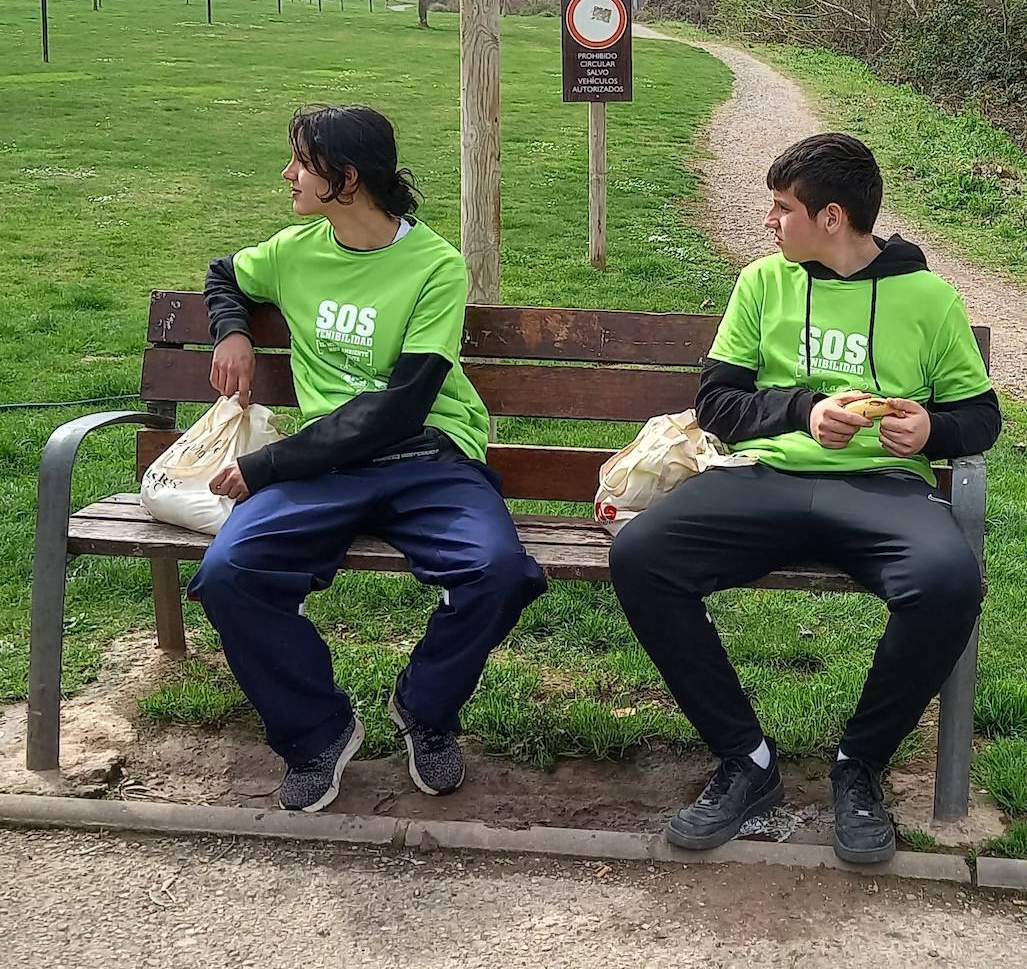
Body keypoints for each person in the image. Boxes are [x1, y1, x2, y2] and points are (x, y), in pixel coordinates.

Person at [610, 133, 1000, 864]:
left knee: (947, 580)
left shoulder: (927, 298)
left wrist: (930, 429)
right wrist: (801, 413)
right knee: (641, 554)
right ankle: (745, 761)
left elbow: (981, 418)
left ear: (829, 216)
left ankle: (859, 766)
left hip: (881, 491)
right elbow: (718, 401)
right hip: (767, 479)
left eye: (780, 207)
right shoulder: (762, 282)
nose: (768, 221)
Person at [189, 105, 547, 812]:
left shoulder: (435, 266)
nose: (286, 174)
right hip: (327, 464)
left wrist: (269, 465)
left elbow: (401, 407)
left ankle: (424, 710)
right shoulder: (295, 249)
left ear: (346, 178)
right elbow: (224, 273)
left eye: (301, 162)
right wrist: (233, 332)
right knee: (231, 574)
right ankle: (316, 732)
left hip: (426, 455)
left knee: (497, 574)